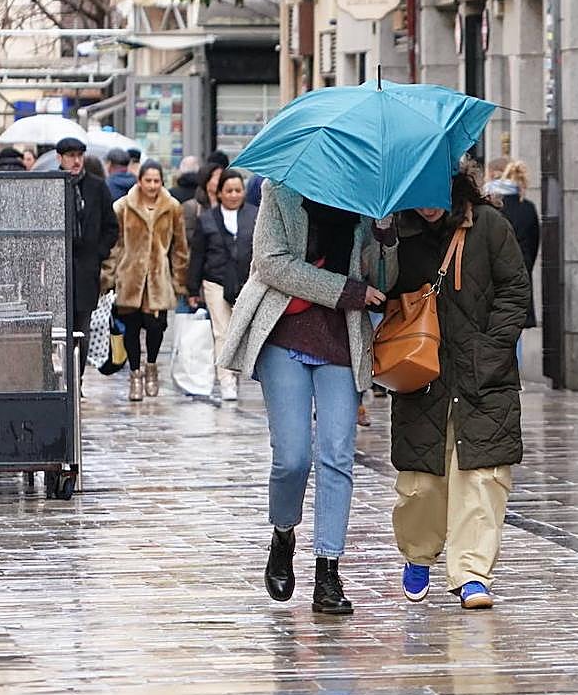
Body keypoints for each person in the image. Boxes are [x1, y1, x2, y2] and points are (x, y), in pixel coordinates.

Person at [218, 181, 398, 616]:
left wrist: (385, 234)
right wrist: (344, 290)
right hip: (284, 334)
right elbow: (272, 265)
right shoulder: (280, 192)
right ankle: (283, 533)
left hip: (342, 340)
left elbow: (382, 282)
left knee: (337, 454)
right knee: (292, 457)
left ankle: (328, 570)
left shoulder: (365, 197)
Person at [388, 161, 530, 610]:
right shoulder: (399, 233)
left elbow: (515, 291)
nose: (428, 206)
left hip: (483, 375)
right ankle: (418, 554)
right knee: (421, 483)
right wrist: (381, 240)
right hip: (422, 372)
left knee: (483, 477)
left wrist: (491, 351)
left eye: (435, 192)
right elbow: (382, 288)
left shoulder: (489, 225)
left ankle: (472, 573)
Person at [102, 159, 189, 401]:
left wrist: (179, 278)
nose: (152, 185)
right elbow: (115, 245)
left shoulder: (172, 207)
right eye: (147, 180)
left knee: (155, 327)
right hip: (129, 276)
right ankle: (135, 374)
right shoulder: (123, 206)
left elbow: (180, 247)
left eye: (156, 180)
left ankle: (151, 365)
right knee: (130, 328)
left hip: (158, 277)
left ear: (162, 181)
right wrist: (108, 276)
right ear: (139, 180)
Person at [187, 169, 258, 401]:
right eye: (229, 190)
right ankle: (226, 380)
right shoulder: (207, 219)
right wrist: (192, 288)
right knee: (222, 333)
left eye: (238, 190)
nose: (234, 195)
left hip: (247, 283)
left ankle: (241, 373)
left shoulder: (255, 216)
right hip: (215, 281)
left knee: (245, 333)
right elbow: (197, 255)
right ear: (219, 193)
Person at [55, 137, 119, 378]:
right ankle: (61, 379)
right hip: (58, 266)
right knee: (61, 327)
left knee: (83, 326)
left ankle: (76, 379)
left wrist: (98, 253)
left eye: (79, 155)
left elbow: (111, 226)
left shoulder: (96, 186)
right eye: (70, 156)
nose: (76, 161)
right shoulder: (53, 183)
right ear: (59, 158)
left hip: (87, 267)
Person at [484, 160, 540, 362]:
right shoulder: (527, 207)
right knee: (513, 330)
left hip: (489, 277)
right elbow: (533, 247)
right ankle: (512, 374)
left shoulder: (486, 206)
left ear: (490, 174)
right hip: (519, 275)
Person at [182, 161, 224, 254]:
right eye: (218, 177)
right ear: (206, 180)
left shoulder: (228, 205)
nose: (222, 181)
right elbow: (187, 235)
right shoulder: (191, 207)